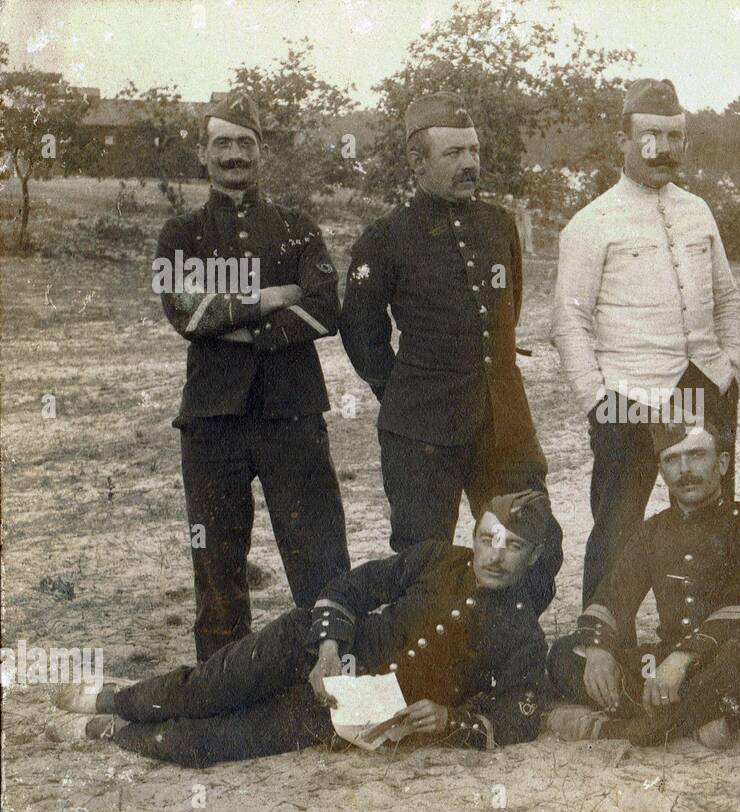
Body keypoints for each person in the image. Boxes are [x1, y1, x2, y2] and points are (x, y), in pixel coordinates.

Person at [47, 492, 562, 768]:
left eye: (513, 545)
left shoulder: (522, 634)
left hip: (354, 715)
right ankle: (115, 699)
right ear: (473, 534)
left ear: (534, 556)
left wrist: (451, 717)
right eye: (488, 538)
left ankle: (113, 734)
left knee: (217, 743)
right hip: (313, 647)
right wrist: (328, 650)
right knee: (209, 688)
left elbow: (519, 714)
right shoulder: (434, 558)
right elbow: (352, 587)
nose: (494, 555)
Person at [154, 90, 349, 660]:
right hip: (212, 422)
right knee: (216, 562)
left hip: (293, 414)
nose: (234, 153)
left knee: (318, 552)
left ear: (262, 151)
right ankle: (221, 686)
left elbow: (323, 310)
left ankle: (333, 672)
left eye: (245, 142)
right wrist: (271, 296)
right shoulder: (181, 234)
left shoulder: (297, 227)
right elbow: (186, 314)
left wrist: (233, 323)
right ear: (203, 154)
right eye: (222, 143)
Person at [551, 77, 740, 609]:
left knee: (709, 522)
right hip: (629, 399)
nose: (664, 149)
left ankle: (706, 647)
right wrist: (598, 400)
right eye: (650, 136)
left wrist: (728, 366)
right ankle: (604, 649)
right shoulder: (591, 224)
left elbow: (728, 298)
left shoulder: (698, 211)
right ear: (624, 140)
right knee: (618, 528)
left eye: (675, 136)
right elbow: (569, 324)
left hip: (704, 387)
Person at [342, 93, 548, 552]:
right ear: (417, 162)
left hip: (503, 419)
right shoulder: (387, 237)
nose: (470, 163)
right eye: (454, 153)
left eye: (473, 150)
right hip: (422, 429)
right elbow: (360, 330)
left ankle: (501, 626)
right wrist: (402, 391)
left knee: (531, 541)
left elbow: (506, 311)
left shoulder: (499, 225)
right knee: (424, 558)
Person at [546, 420, 740, 748]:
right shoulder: (651, 532)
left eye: (697, 455)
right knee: (564, 654)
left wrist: (684, 658)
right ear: (661, 470)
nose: (685, 469)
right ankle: (692, 724)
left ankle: (623, 730)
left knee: (739, 663)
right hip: (663, 665)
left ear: (722, 463)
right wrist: (598, 648)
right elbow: (614, 595)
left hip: (720, 661)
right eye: (672, 459)